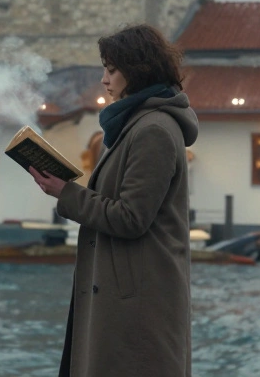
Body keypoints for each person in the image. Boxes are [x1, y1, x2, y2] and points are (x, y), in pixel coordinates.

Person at [28, 24, 198, 377]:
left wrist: (66, 192)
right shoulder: (135, 124)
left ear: (136, 70)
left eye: (111, 69)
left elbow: (131, 217)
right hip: (129, 294)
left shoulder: (152, 130)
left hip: (137, 302)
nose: (104, 80)